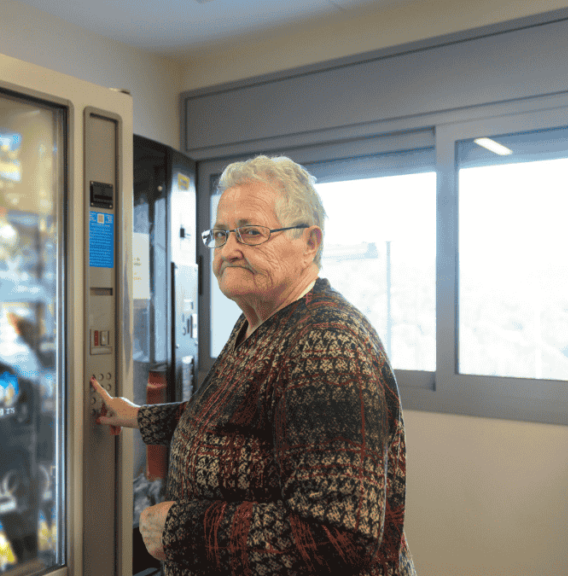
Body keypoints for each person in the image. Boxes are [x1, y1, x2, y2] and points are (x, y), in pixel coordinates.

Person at [91, 155, 416, 575]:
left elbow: (335, 540)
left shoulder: (326, 344)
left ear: (310, 243)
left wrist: (179, 530)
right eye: (222, 234)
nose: (229, 250)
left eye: (250, 233)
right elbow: (232, 420)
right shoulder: (258, 321)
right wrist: (137, 416)